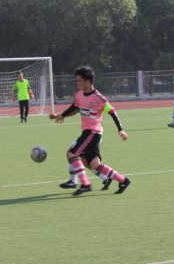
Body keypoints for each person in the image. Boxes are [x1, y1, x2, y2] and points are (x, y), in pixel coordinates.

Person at [50, 66, 132, 196]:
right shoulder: (79, 95)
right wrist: (61, 116)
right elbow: (74, 108)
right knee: (94, 164)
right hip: (88, 133)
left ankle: (85, 184)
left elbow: (112, 112)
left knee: (71, 154)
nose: (77, 83)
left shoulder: (99, 98)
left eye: (79, 80)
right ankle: (123, 180)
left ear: (88, 81)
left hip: (93, 132)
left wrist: (120, 130)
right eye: (77, 80)